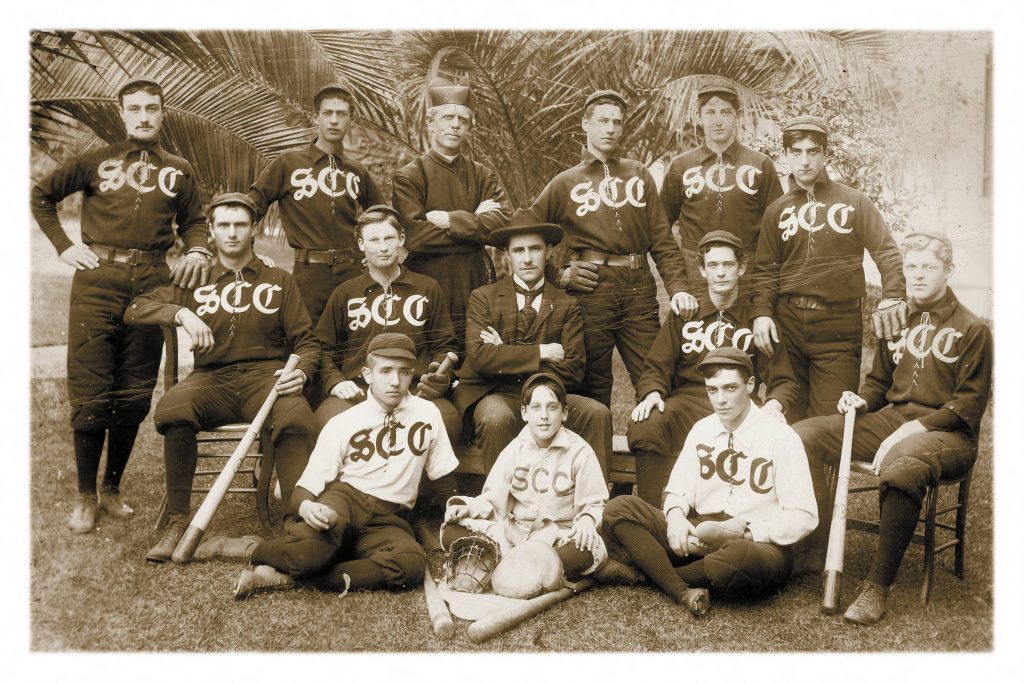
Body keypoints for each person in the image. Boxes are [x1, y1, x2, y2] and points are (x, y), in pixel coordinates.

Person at [31, 78, 212, 533]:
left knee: (134, 390)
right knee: (92, 386)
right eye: (135, 109)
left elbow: (195, 222)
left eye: (153, 107)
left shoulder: (180, 169)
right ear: (122, 113)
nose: (144, 115)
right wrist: (63, 246)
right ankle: (85, 496)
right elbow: (41, 195)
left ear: (163, 111)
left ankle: (112, 489)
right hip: (97, 280)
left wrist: (197, 250)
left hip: (152, 282)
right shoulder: (97, 159)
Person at [792, 232, 992, 625]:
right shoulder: (894, 320)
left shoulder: (973, 329)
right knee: (801, 436)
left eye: (929, 267)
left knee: (901, 467)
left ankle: (876, 588)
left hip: (949, 434)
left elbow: (967, 407)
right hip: (891, 420)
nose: (917, 275)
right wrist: (862, 399)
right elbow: (879, 384)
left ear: (948, 271)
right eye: (911, 266)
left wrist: (911, 430)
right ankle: (814, 547)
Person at [124, 192, 320, 563]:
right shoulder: (195, 278)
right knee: (173, 408)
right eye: (224, 226)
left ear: (254, 230)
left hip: (266, 378)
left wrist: (303, 372)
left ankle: (297, 523)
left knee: (296, 416)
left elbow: (307, 342)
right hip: (212, 378)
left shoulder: (278, 279)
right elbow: (136, 309)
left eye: (240, 225)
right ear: (211, 232)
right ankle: (178, 520)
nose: (232, 233)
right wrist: (182, 314)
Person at [232, 333, 459, 599]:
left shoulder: (427, 413)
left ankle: (297, 577)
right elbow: (304, 489)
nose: (395, 382)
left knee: (410, 564)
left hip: (388, 519)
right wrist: (307, 506)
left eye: (404, 372)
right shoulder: (345, 421)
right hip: (343, 502)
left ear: (413, 374)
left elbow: (443, 477)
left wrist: (460, 511)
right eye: (385, 371)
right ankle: (257, 550)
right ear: (367, 374)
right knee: (309, 552)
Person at [603, 347, 818, 617]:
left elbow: (804, 515)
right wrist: (677, 518)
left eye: (730, 388)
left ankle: (647, 576)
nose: (720, 400)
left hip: (755, 543)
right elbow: (678, 489)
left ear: (750, 385)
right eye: (712, 390)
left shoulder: (781, 437)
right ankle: (682, 586)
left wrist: (749, 532)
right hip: (698, 534)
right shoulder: (702, 429)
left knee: (739, 561)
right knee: (618, 508)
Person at [522, 89, 694, 407]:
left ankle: (652, 451)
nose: (611, 128)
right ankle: (595, 457)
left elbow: (662, 240)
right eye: (603, 120)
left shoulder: (638, 174)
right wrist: (557, 276)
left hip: (637, 289)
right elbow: (525, 233)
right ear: (585, 124)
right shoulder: (565, 183)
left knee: (655, 376)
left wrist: (678, 287)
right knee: (591, 384)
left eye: (617, 122)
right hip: (590, 290)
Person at [750, 114, 907, 421]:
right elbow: (766, 270)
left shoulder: (854, 202)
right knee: (788, 416)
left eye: (812, 151)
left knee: (830, 421)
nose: (805, 161)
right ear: (786, 156)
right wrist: (762, 313)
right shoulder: (776, 210)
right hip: (789, 324)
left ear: (825, 154)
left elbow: (887, 252)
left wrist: (893, 295)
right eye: (796, 152)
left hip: (837, 326)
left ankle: (826, 472)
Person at [627, 230, 799, 506]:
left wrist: (774, 405)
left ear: (741, 268)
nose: (721, 273)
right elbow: (656, 367)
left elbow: (784, 380)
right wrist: (653, 394)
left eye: (728, 265)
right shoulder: (686, 313)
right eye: (713, 266)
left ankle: (730, 520)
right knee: (647, 425)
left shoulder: (757, 320)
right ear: (702, 270)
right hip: (689, 402)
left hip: (738, 404)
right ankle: (652, 516)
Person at [454, 213, 612, 478]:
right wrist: (541, 353)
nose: (527, 259)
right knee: (496, 418)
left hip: (550, 396)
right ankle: (501, 507)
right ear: (507, 255)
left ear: (548, 251)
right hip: (499, 394)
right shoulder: (484, 298)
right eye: (518, 250)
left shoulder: (567, 304)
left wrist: (504, 351)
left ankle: (593, 508)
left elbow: (573, 370)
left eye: (535, 249)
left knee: (596, 413)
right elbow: (480, 358)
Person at [313, 205, 461, 444]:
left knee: (448, 420)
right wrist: (336, 382)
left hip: (413, 390)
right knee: (327, 421)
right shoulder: (345, 293)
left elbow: (444, 344)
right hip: (359, 392)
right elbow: (324, 348)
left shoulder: (427, 288)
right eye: (373, 240)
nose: (383, 247)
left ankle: (423, 483)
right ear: (361, 244)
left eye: (389, 238)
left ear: (401, 240)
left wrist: (438, 376)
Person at [442, 373, 609, 583]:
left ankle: (500, 562)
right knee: (452, 530)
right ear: (524, 412)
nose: (544, 416)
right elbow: (492, 500)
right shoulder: (514, 451)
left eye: (552, 407)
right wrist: (467, 508)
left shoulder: (580, 453)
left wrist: (587, 519)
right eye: (536, 407)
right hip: (513, 534)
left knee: (584, 549)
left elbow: (595, 504)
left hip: (557, 537)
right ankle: (526, 567)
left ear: (564, 412)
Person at [247, 83, 383, 325]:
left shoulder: (356, 171)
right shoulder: (289, 163)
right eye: (327, 113)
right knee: (308, 342)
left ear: (350, 121)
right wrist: (249, 252)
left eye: (341, 114)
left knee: (352, 341)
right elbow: (251, 206)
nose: (334, 121)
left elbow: (383, 216)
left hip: (351, 272)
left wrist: (373, 253)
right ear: (315, 118)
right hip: (309, 274)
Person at [392, 76, 512, 349]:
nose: (456, 125)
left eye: (463, 120)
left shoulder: (483, 174)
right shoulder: (409, 176)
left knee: (476, 350)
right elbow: (416, 237)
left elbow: (503, 225)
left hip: (476, 278)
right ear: (430, 124)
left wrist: (449, 219)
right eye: (447, 117)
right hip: (429, 279)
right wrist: (476, 222)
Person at [660, 81, 783, 286]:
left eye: (726, 112)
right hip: (695, 270)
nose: (718, 121)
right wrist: (678, 271)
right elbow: (660, 227)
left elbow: (775, 228)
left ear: (738, 116)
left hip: (747, 269)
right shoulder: (681, 166)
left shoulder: (760, 164)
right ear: (698, 117)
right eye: (710, 112)